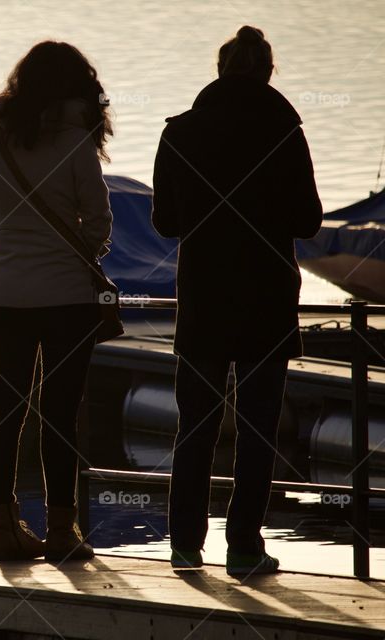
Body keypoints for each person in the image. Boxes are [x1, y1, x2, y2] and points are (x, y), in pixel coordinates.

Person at [152, 26, 323, 577]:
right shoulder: (285, 132)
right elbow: (309, 221)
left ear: (220, 70)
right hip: (266, 300)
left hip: (203, 298)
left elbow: (165, 222)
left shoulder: (180, 133)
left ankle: (185, 546)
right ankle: (244, 545)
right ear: (268, 72)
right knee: (257, 430)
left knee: (195, 427)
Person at [0, 40, 113, 562]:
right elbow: (98, 221)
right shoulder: (76, 141)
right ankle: (61, 532)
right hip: (67, 299)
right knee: (60, 415)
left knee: (4, 412)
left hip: (3, 296)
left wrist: (11, 248)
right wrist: (67, 254)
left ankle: (4, 529)